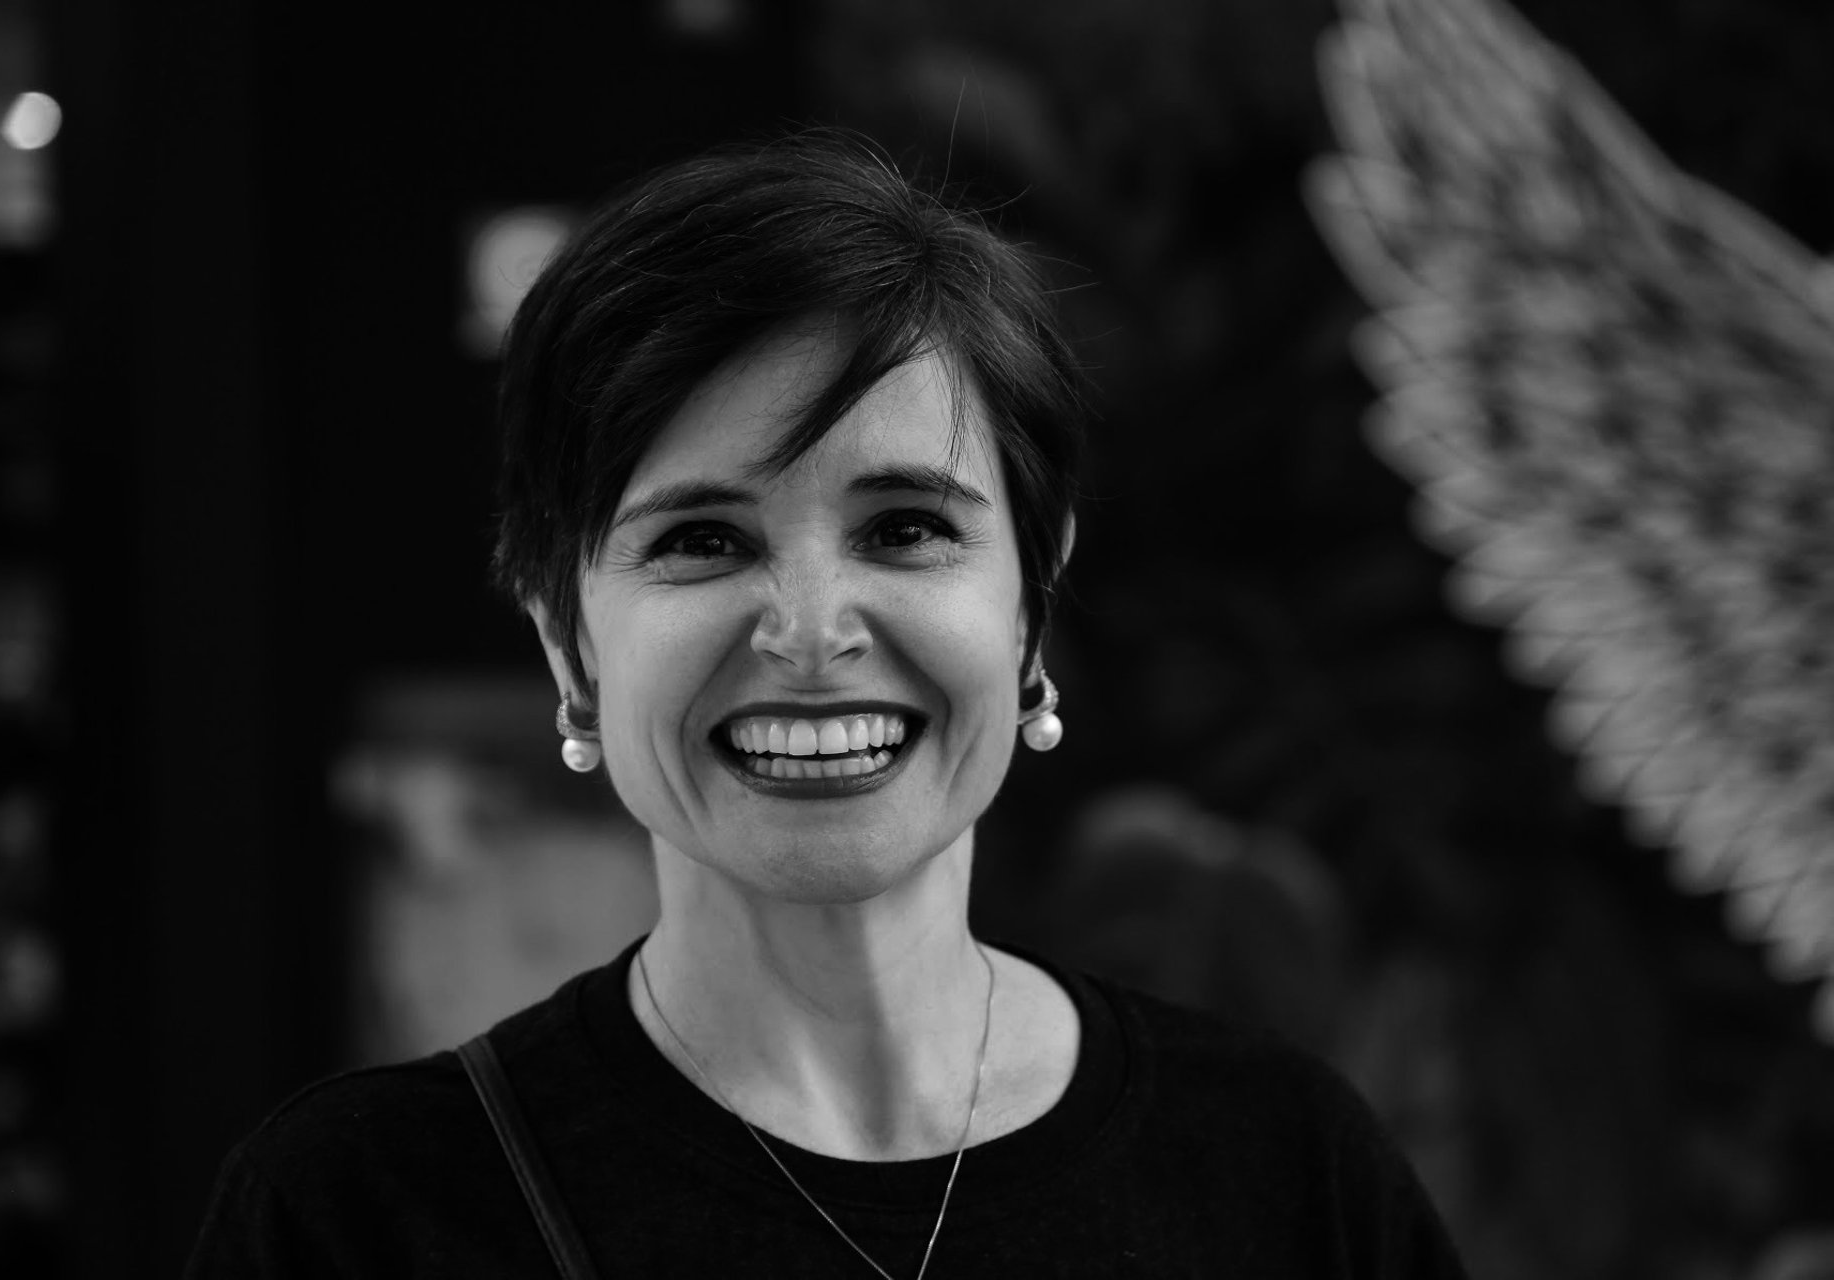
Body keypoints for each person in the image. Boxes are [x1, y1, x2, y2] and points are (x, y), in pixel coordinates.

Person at [187, 131, 1469, 1278]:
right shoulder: (360, 1214)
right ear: (570, 642)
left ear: (1032, 599)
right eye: (701, 540)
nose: (808, 633)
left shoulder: (1285, 1172)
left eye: (905, 526)